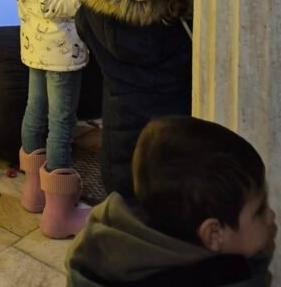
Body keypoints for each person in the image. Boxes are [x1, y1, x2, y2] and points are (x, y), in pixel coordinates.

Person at [66, 115, 276, 286]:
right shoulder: (229, 276)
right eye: (259, 211)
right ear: (214, 234)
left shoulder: (98, 253)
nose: (271, 216)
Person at [75, 0, 194, 199]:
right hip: (177, 149)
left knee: (126, 212)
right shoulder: (187, 19)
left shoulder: (98, 8)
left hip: (120, 146)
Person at [0, 0, 89, 238]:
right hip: (61, 49)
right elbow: (54, 4)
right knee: (61, 122)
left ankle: (34, 193)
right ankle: (59, 214)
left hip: (34, 43)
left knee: (35, 112)